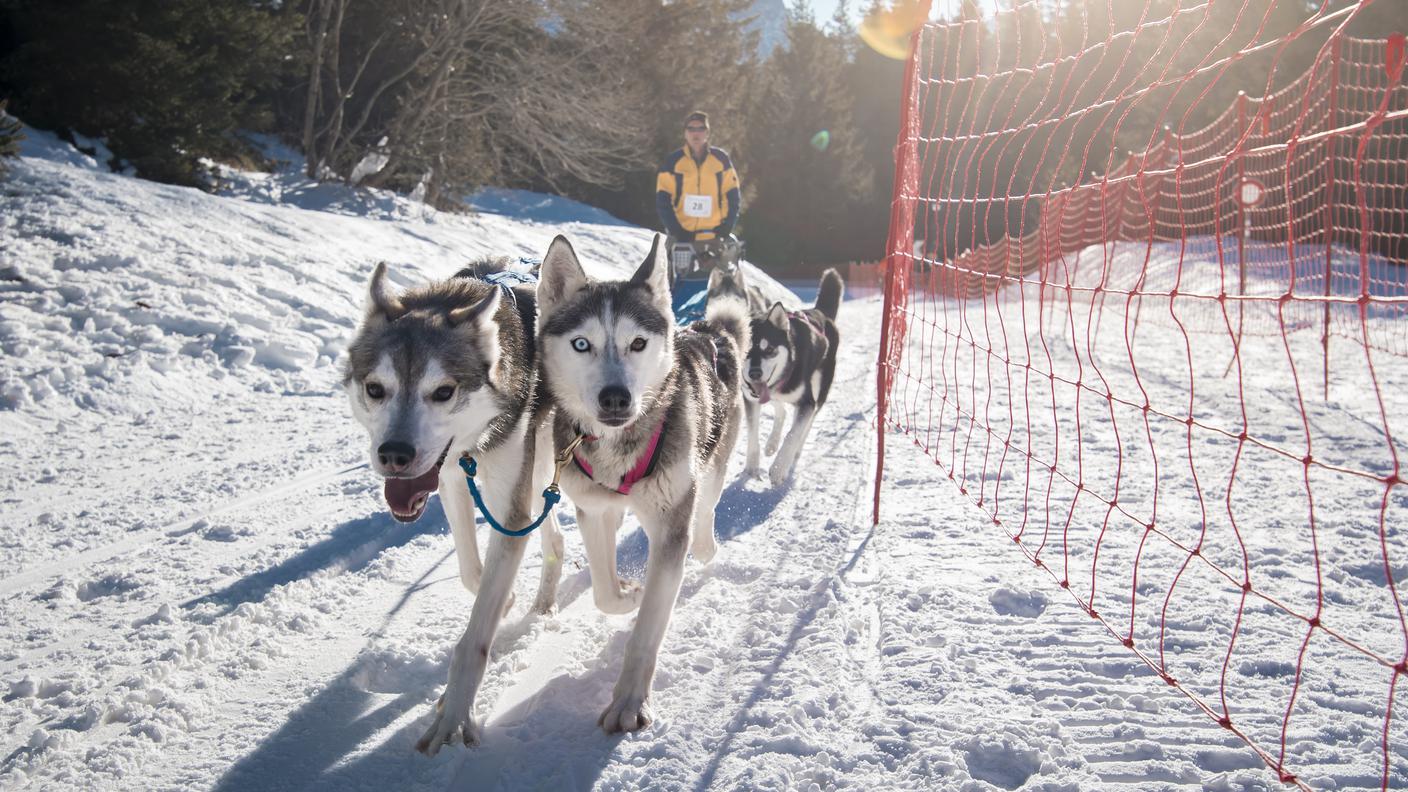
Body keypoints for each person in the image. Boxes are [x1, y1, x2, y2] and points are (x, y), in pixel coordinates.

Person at [655, 110, 741, 247]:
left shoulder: (720, 159)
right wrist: (676, 230)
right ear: (685, 133)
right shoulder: (673, 161)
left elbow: (733, 196)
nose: (696, 133)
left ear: (707, 133)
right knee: (672, 268)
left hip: (714, 238)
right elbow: (663, 200)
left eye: (701, 128)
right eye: (691, 128)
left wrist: (727, 226)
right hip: (680, 238)